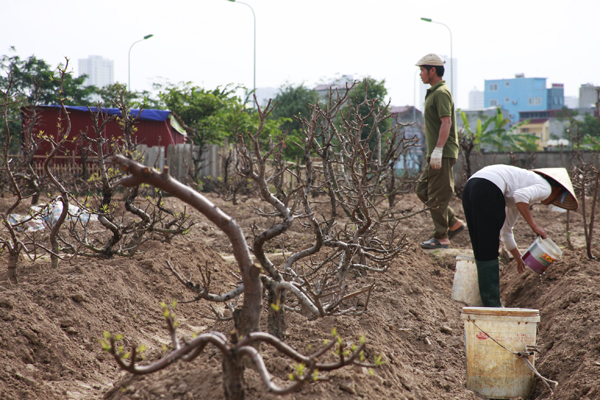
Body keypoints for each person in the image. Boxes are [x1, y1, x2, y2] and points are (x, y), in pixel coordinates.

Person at [462, 165, 578, 307]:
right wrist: (534, 226)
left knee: (481, 244)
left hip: (472, 186)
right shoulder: (546, 187)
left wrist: (518, 258)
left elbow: (506, 231)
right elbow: (521, 196)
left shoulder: (519, 188)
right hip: (488, 187)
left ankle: (486, 301)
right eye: (560, 198)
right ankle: (492, 304)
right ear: (558, 189)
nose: (555, 202)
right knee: (489, 246)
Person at [415, 53, 464, 250]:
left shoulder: (441, 93)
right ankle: (453, 222)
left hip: (442, 152)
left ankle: (441, 237)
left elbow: (447, 122)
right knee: (422, 190)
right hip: (436, 152)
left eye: (422, 70)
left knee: (437, 194)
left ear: (432, 71)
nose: (420, 74)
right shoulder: (434, 92)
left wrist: (438, 150)